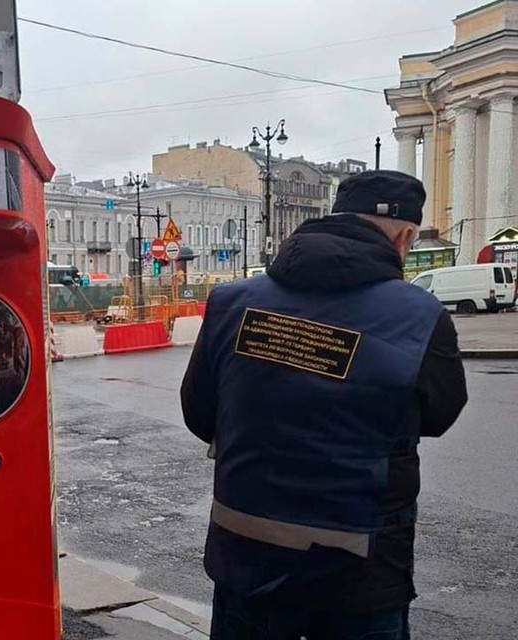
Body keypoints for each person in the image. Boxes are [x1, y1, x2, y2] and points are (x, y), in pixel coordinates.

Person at [180, 171, 468, 640]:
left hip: (246, 562)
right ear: (404, 238)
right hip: (359, 574)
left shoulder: (232, 301)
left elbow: (199, 412)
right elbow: (440, 414)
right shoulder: (420, 317)